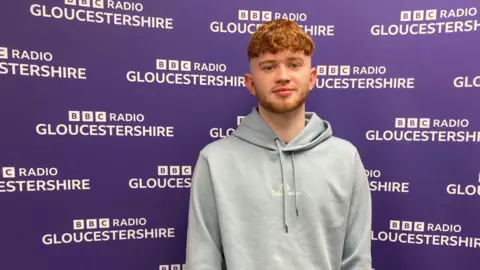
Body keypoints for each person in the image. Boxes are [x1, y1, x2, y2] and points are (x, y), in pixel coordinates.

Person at [185, 19, 372, 270]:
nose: (283, 76)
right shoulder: (215, 160)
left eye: (294, 64)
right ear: (250, 83)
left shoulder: (345, 158)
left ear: (312, 77)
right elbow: (202, 262)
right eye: (269, 67)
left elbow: (357, 260)